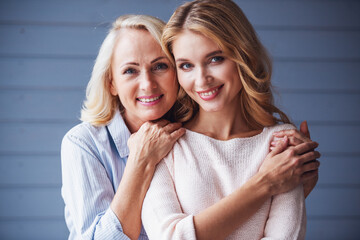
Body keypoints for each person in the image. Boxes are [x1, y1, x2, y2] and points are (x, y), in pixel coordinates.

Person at [61, 13, 319, 240]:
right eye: (130, 71)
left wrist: (293, 190)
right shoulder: (86, 144)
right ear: (111, 83)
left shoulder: (180, 133)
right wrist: (141, 162)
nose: (148, 84)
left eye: (161, 66)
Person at [141, 1, 320, 239]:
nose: (202, 80)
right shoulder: (165, 142)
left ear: (242, 55)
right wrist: (264, 183)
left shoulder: (281, 143)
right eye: (186, 65)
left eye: (215, 59)